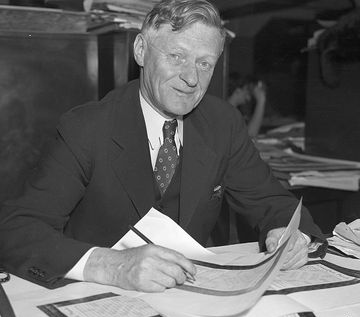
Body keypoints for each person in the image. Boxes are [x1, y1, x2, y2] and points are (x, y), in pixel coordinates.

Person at [0, 0, 325, 293]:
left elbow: (271, 201)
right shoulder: (87, 128)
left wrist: (290, 234)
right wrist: (111, 266)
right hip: (103, 296)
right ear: (141, 50)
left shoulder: (222, 122)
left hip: (194, 296)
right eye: (177, 56)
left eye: (204, 64)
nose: (191, 79)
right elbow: (16, 230)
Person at [227, 73, 267, 137]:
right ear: (238, 90)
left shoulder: (235, 111)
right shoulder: (226, 112)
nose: (248, 98)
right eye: (247, 91)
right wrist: (261, 100)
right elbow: (250, 135)